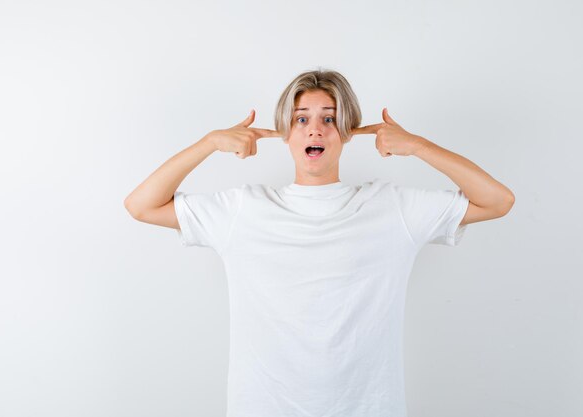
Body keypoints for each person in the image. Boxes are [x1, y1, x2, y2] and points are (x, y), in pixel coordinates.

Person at [124, 68, 515, 417]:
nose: (315, 129)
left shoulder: (391, 207)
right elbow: (141, 205)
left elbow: (498, 201)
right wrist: (209, 143)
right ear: (284, 132)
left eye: (329, 119)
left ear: (347, 132)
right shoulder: (244, 210)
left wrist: (418, 146)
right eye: (301, 119)